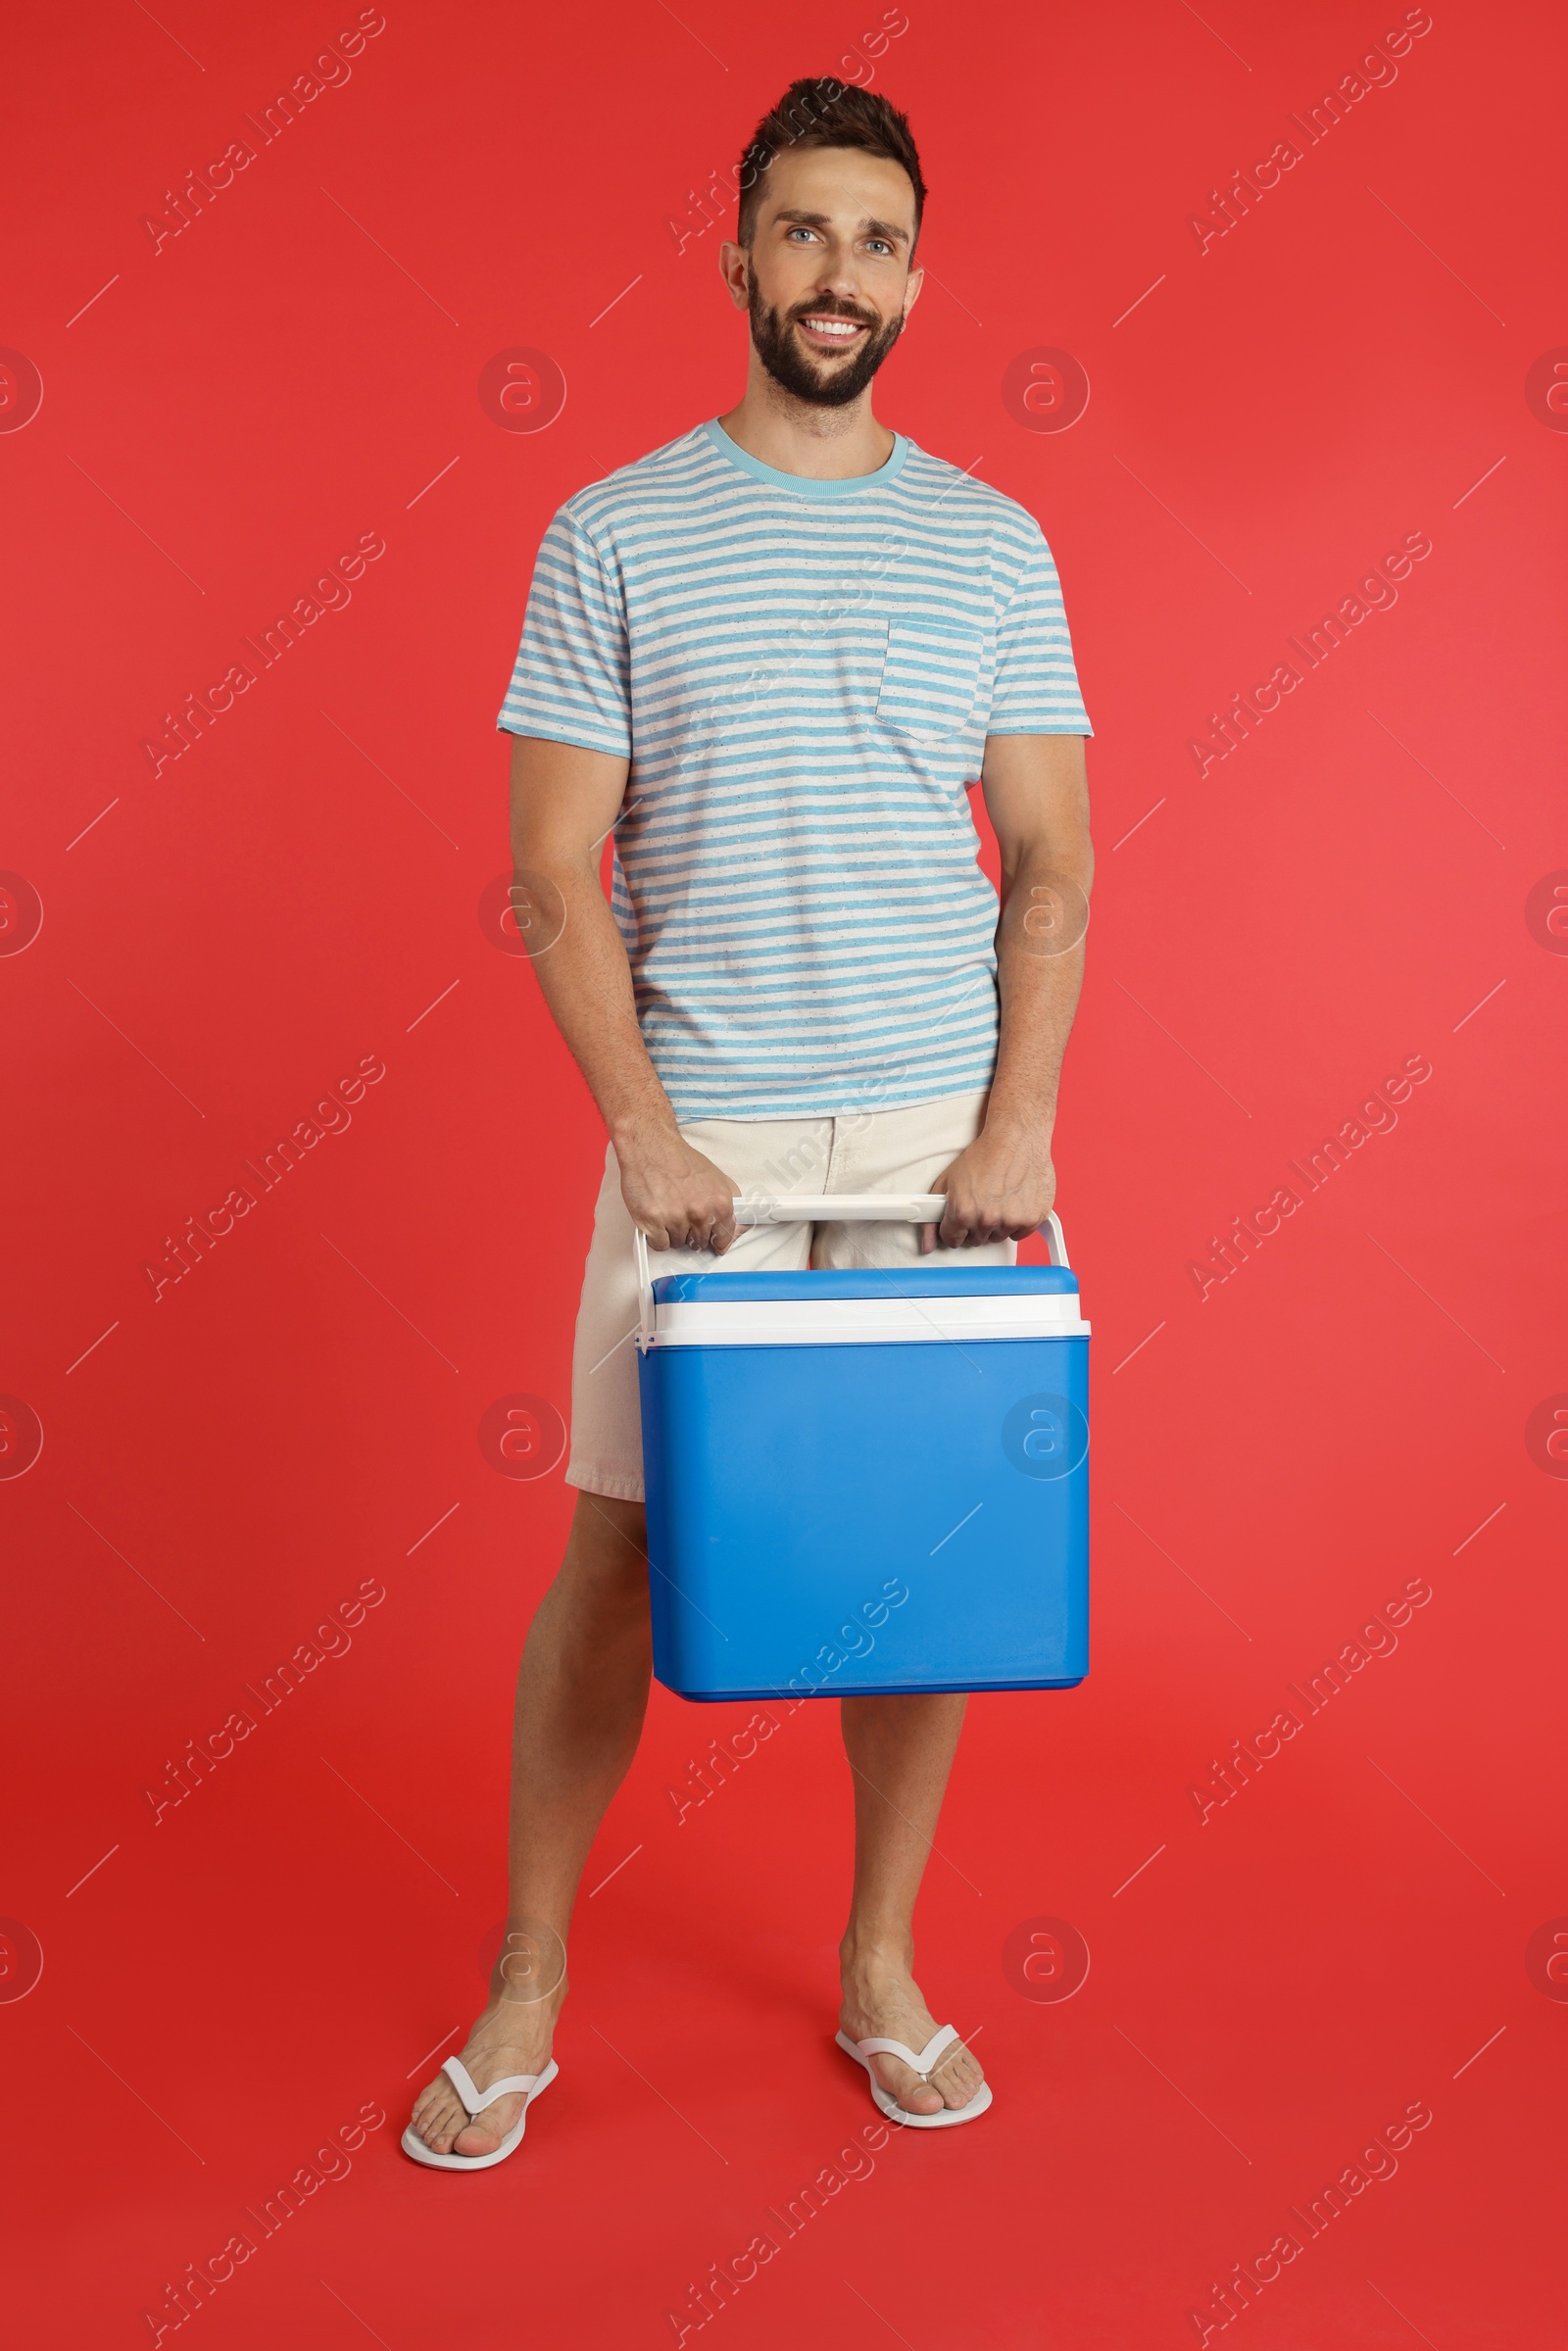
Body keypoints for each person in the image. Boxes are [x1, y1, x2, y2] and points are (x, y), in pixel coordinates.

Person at [406, 74, 1093, 2169]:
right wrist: (640, 1129)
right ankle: (527, 1980)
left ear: (912, 278)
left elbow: (1048, 859)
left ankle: (878, 1967)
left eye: (873, 241)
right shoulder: (610, 529)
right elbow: (551, 867)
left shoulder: (992, 541)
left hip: (926, 1150)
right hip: (700, 1146)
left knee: (926, 1564)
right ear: (734, 258)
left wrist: (1015, 1131)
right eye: (801, 233)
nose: (836, 274)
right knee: (614, 1563)